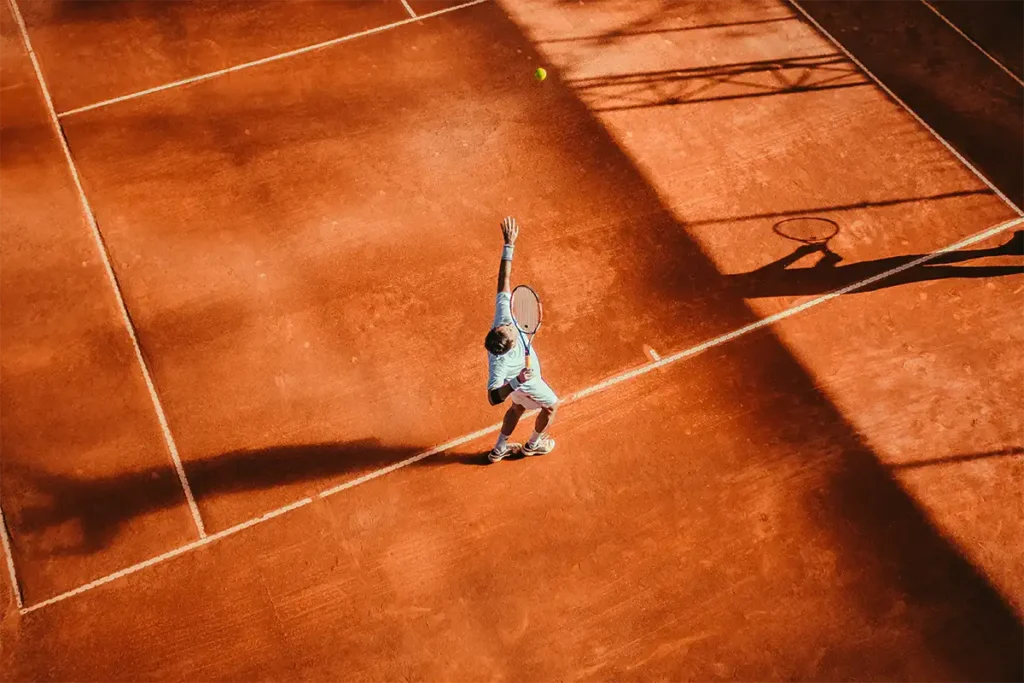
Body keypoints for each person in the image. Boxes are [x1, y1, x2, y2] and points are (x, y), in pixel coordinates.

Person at [483, 217, 559, 463]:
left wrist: (509, 245)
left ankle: (499, 449)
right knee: (551, 406)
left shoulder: (501, 320)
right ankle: (532, 445)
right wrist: (517, 381)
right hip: (526, 384)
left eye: (506, 325)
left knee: (517, 408)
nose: (511, 324)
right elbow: (494, 397)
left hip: (518, 386)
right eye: (510, 330)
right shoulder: (500, 364)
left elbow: (503, 282)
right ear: (511, 345)